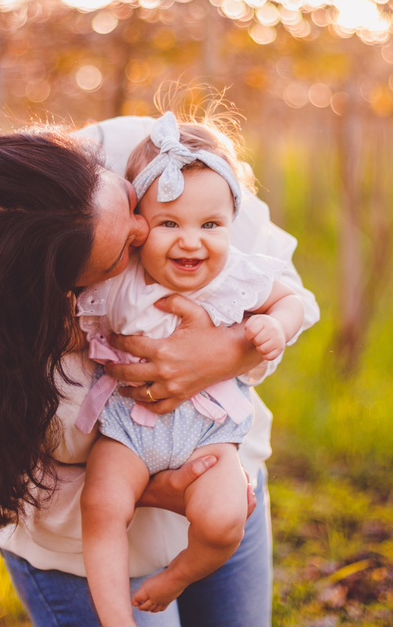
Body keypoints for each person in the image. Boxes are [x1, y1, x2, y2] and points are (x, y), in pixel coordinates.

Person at [0, 113, 319, 627]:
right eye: (120, 255)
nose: (146, 231)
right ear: (58, 290)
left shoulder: (153, 153)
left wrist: (227, 353)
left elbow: (273, 281)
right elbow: (11, 481)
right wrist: (150, 488)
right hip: (79, 550)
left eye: (129, 204)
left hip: (221, 476)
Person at [77, 113, 305, 626]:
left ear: (230, 223)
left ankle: (181, 574)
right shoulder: (119, 277)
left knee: (226, 519)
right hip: (129, 427)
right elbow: (73, 323)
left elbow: (291, 299)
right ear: (139, 227)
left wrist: (277, 328)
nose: (191, 242)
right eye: (170, 224)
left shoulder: (236, 277)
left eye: (210, 225)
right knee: (103, 506)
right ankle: (115, 617)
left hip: (209, 433)